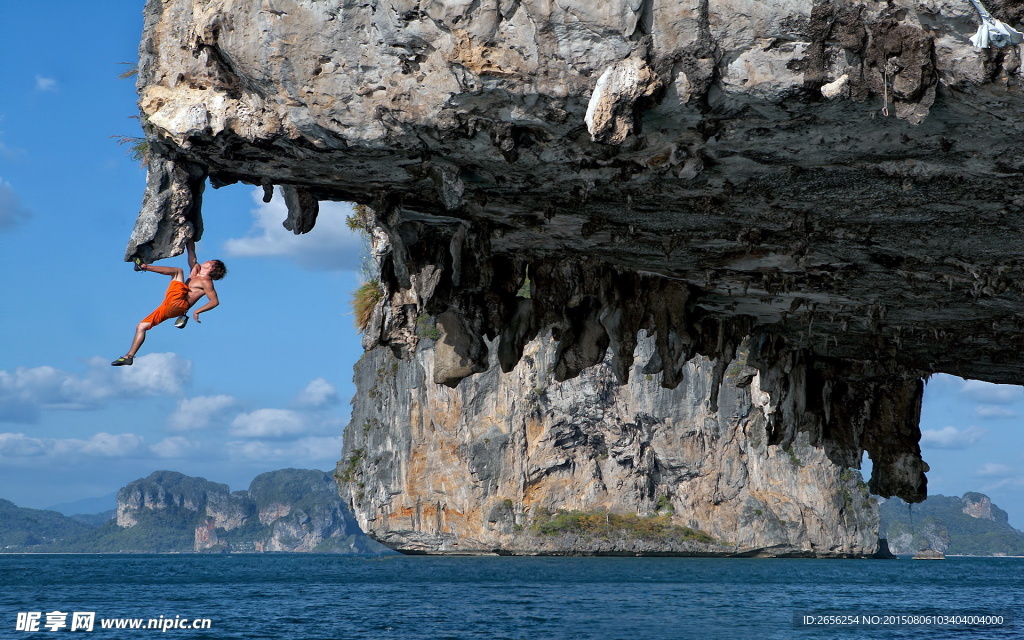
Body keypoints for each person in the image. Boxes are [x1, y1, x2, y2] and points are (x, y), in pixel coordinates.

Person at [111, 240, 227, 366]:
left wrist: (197, 311)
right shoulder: (196, 271)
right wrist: (189, 237)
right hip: (169, 306)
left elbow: (214, 301)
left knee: (178, 271)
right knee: (141, 327)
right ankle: (129, 356)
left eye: (210, 262)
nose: (207, 260)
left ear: (213, 267)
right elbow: (191, 252)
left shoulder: (206, 282)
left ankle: (143, 266)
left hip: (179, 304)